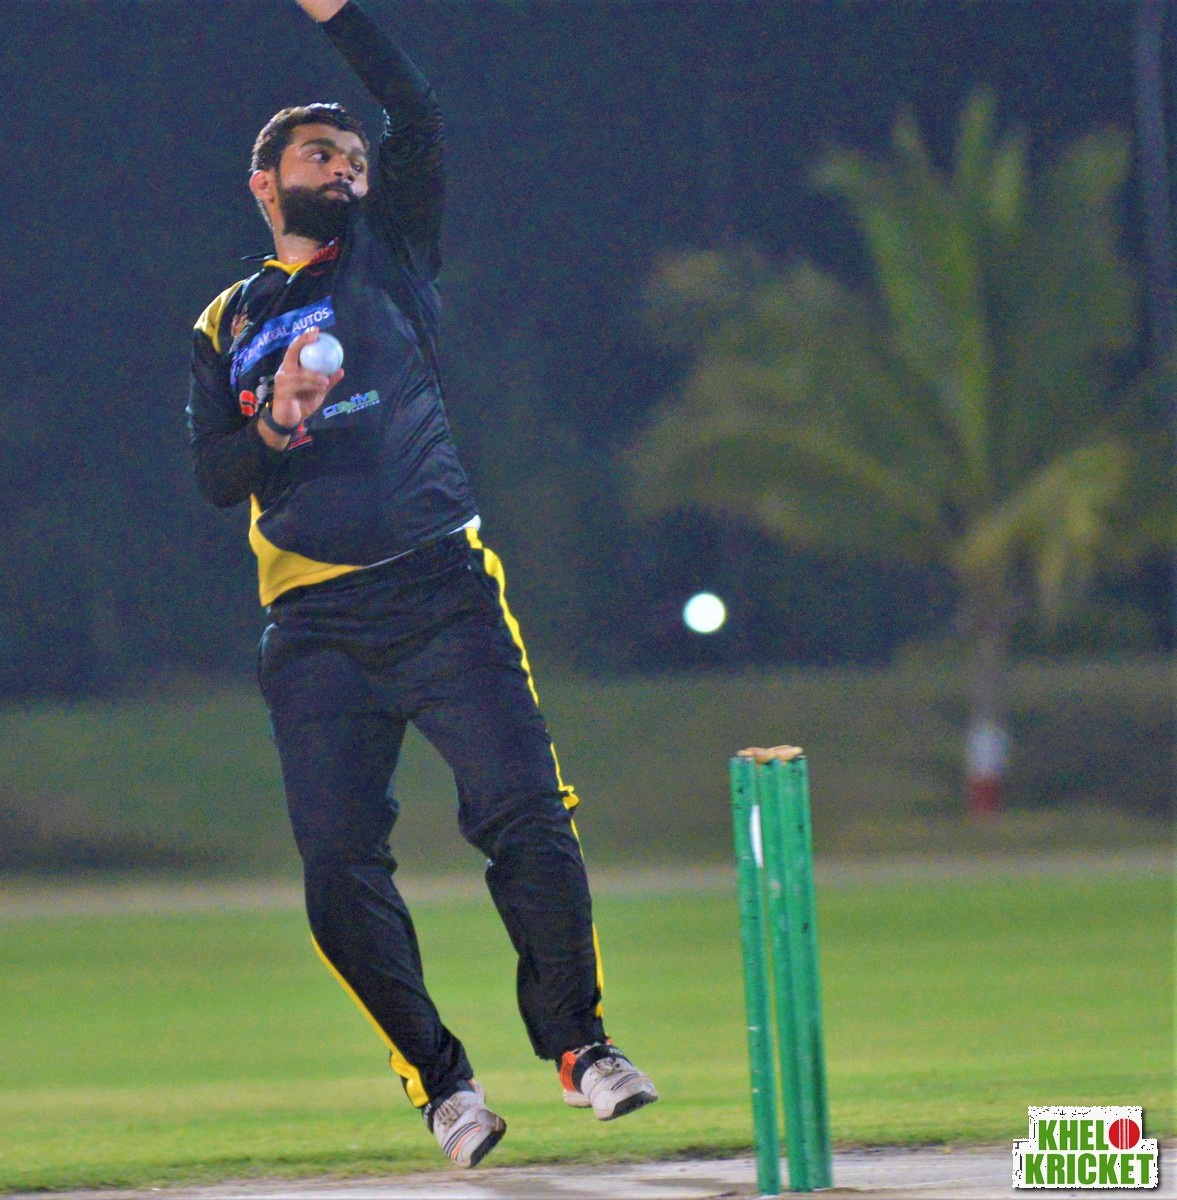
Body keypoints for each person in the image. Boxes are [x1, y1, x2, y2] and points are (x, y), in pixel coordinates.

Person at [185, 0, 656, 1172]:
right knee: (337, 872)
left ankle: (580, 1045)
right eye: (318, 154)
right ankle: (444, 1088)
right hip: (314, 627)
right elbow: (215, 477)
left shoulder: (389, 247)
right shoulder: (226, 319)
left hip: (442, 589)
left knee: (527, 815)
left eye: (352, 155)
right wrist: (276, 425)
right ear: (264, 185)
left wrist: (339, 17)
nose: (343, 168)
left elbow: (418, 109)